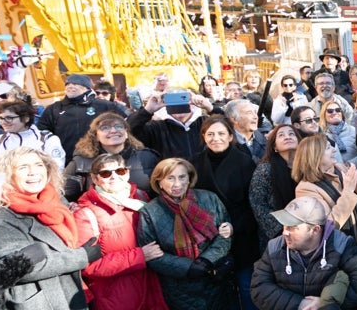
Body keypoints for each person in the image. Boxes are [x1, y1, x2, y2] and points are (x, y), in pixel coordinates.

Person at [0, 147, 100, 309]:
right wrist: (81, 257)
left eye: (39, 165)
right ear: (8, 175)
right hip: (42, 300)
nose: (33, 172)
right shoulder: (0, 214)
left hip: (72, 290)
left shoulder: (57, 200)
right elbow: (23, 268)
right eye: (23, 167)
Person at [137, 158, 234, 310]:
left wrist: (206, 260)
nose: (177, 184)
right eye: (170, 178)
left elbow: (225, 234)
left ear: (189, 178)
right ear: (159, 182)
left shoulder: (209, 198)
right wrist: (187, 267)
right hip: (178, 287)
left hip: (215, 279)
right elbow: (152, 255)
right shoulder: (149, 212)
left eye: (182, 177)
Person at [73, 154, 167, 310]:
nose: (114, 177)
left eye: (120, 171)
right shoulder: (85, 213)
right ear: (95, 179)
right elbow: (88, 265)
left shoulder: (141, 198)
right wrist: (139, 257)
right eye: (105, 173)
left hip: (151, 287)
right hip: (116, 297)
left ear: (128, 173)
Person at [250, 196, 357, 310]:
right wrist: (300, 304)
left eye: (292, 227)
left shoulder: (341, 245)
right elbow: (258, 287)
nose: (284, 232)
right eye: (284, 225)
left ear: (315, 230)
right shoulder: (274, 247)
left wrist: (326, 304)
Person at [190, 116, 260, 310]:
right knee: (216, 289)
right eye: (210, 134)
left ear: (230, 136)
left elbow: (253, 204)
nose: (216, 138)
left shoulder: (245, 162)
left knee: (246, 286)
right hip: (207, 236)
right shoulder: (194, 162)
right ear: (203, 137)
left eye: (221, 133)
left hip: (241, 236)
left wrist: (234, 225)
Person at [64, 111, 160, 202]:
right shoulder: (81, 163)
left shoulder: (148, 158)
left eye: (119, 126)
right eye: (105, 128)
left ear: (126, 133)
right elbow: (63, 194)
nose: (113, 130)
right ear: (96, 136)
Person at [293, 135, 357, 236]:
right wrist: (348, 192)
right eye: (328, 147)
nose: (334, 150)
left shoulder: (341, 168)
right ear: (315, 155)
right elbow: (329, 224)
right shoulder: (305, 189)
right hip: (341, 245)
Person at [38, 74, 125, 161]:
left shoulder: (104, 105)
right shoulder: (54, 108)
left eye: (75, 84)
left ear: (86, 88)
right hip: (65, 160)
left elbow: (124, 125)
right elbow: (42, 131)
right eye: (67, 84)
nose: (70, 86)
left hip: (99, 159)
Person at [249, 125, 301, 248]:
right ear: (275, 147)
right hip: (278, 234)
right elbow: (258, 204)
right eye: (281, 135)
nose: (287, 137)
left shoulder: (306, 166)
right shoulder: (265, 169)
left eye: (291, 134)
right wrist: (282, 230)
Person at [129, 90, 213, 160]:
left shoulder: (206, 123)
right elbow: (129, 131)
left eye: (183, 98)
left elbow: (225, 125)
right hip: (172, 177)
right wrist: (147, 110)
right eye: (173, 100)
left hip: (205, 177)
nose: (178, 104)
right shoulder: (157, 128)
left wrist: (210, 108)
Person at [0, 100, 64, 167]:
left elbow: (57, 169)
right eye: (1, 118)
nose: (3, 122)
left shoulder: (47, 139)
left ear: (26, 118)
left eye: (9, 118)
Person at [321, 101, 357, 165]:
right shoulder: (322, 135)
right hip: (333, 172)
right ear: (324, 115)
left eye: (338, 110)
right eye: (330, 111)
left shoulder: (353, 130)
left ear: (342, 113)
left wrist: (350, 165)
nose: (334, 113)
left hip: (355, 170)